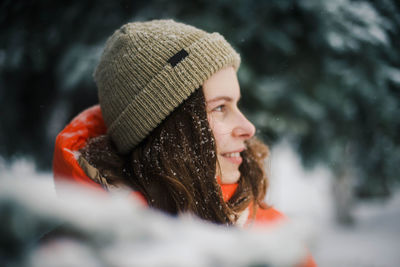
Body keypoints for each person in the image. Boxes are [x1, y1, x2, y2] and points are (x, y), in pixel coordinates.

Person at [53, 19, 316, 266]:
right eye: (220, 107)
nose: (248, 128)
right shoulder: (74, 255)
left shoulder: (273, 238)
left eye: (236, 104)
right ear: (167, 131)